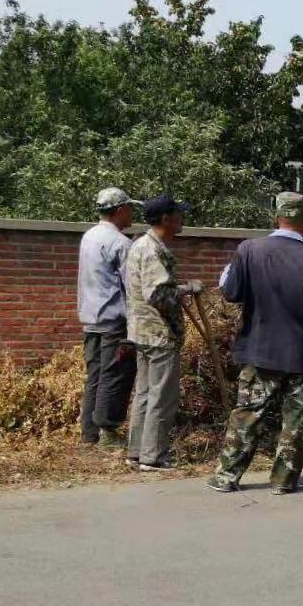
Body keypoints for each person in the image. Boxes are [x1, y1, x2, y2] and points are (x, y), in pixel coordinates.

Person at [207, 192, 303, 495]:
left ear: (276, 216)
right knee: (295, 420)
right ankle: (283, 481)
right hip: (302, 356)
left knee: (247, 415)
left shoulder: (249, 251)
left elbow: (231, 293)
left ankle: (227, 476)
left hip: (259, 352)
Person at [124, 195, 202, 471]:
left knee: (145, 393)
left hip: (142, 331)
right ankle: (153, 456)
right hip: (160, 333)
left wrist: (178, 288)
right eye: (178, 215)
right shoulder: (154, 249)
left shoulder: (139, 245)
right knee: (162, 396)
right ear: (166, 219)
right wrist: (185, 291)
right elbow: (157, 292)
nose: (182, 219)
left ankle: (137, 452)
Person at [77, 187, 142, 447]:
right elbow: (133, 285)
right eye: (129, 209)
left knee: (95, 375)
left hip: (91, 319)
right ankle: (108, 432)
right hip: (114, 321)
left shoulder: (89, 236)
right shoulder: (120, 243)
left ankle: (89, 433)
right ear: (119, 210)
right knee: (115, 375)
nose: (132, 214)